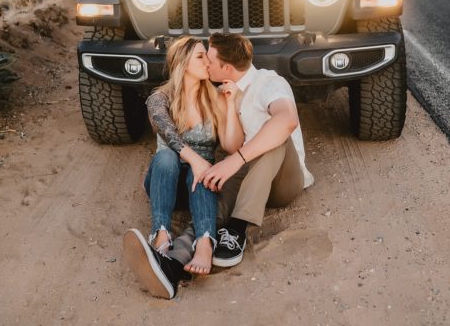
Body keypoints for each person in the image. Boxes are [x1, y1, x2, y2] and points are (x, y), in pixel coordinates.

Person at [123, 36, 244, 299]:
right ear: (183, 61)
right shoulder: (160, 98)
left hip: (196, 187)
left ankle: (204, 242)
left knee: (203, 172)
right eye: (201, 56)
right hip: (164, 182)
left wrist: (231, 105)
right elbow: (167, 133)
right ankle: (161, 235)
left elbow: (232, 145)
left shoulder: (214, 97)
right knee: (167, 158)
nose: (208, 61)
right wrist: (197, 159)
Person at [199, 31, 314, 268]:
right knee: (214, 195)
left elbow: (287, 120)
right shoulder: (225, 91)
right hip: (249, 177)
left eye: (210, 61)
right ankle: (183, 251)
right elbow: (231, 145)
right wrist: (227, 106)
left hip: (283, 182)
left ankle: (237, 229)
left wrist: (236, 159)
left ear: (227, 67)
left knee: (275, 134)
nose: (206, 64)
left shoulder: (269, 83)